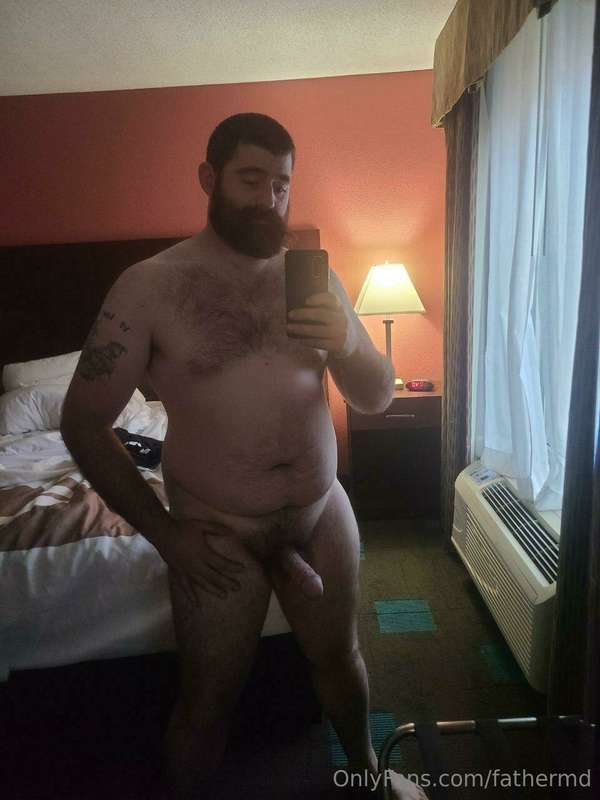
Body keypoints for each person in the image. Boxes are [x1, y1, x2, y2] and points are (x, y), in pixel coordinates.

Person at [60, 113, 427, 800]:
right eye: (250, 179)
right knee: (209, 701)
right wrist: (166, 535)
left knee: (342, 658)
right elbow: (82, 423)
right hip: (216, 531)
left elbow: (376, 396)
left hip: (319, 510)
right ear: (210, 178)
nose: (269, 199)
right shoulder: (150, 287)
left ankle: (368, 775)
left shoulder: (313, 278)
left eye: (281, 184)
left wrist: (348, 342)